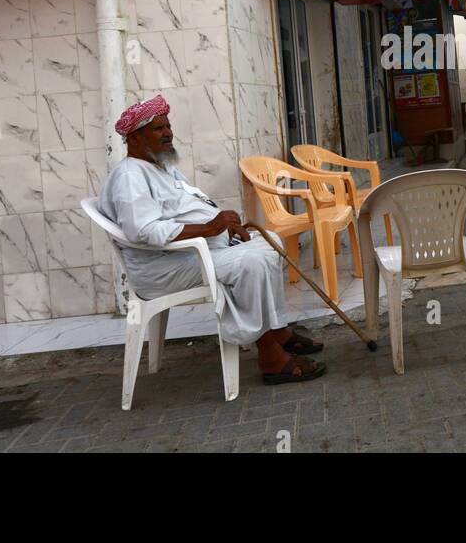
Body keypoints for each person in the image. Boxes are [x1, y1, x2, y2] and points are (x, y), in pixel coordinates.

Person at [97, 95, 326, 385]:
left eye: (168, 126)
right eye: (158, 129)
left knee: (271, 244)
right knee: (251, 263)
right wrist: (209, 229)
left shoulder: (161, 167)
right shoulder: (130, 177)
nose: (168, 133)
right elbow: (144, 231)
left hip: (192, 253)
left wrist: (225, 226)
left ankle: (276, 330)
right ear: (134, 137)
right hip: (162, 268)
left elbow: (190, 206)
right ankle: (269, 355)